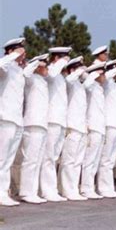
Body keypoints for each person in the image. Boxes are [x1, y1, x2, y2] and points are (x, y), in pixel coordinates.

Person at [16, 54, 49, 204]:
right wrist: (36, 63)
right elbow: (26, 72)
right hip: (32, 123)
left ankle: (32, 191)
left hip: (42, 124)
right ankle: (26, 191)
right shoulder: (31, 78)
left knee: (37, 160)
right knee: (30, 159)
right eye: (45, 66)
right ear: (38, 67)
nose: (47, 69)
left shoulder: (43, 81)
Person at [40, 46, 71, 202]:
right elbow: (50, 74)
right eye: (64, 58)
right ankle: (47, 190)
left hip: (60, 119)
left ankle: (52, 189)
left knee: (54, 156)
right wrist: (59, 63)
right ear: (56, 58)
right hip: (51, 119)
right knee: (48, 157)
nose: (66, 61)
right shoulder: (52, 70)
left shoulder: (60, 76)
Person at [0, 37, 27, 206]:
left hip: (17, 119)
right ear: (11, 51)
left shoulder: (18, 70)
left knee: (8, 159)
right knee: (1, 158)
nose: (23, 54)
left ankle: (3, 191)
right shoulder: (6, 66)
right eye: (20, 50)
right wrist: (11, 55)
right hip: (5, 117)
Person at [58, 56, 88, 201]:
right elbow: (69, 79)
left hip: (81, 126)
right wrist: (76, 72)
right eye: (79, 67)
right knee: (68, 160)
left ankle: (73, 188)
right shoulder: (69, 81)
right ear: (72, 69)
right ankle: (66, 189)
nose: (82, 70)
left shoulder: (80, 84)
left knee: (78, 160)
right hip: (72, 125)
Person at [98, 60, 116, 198]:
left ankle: (108, 187)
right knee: (105, 157)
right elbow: (107, 75)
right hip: (109, 124)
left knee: (111, 158)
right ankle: (103, 187)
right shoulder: (107, 82)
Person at [81, 62, 107, 199]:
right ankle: (86, 188)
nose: (104, 77)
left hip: (100, 126)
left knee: (95, 160)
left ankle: (90, 187)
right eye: (102, 74)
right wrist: (92, 74)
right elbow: (85, 85)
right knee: (89, 159)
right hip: (93, 126)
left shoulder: (99, 88)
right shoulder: (91, 86)